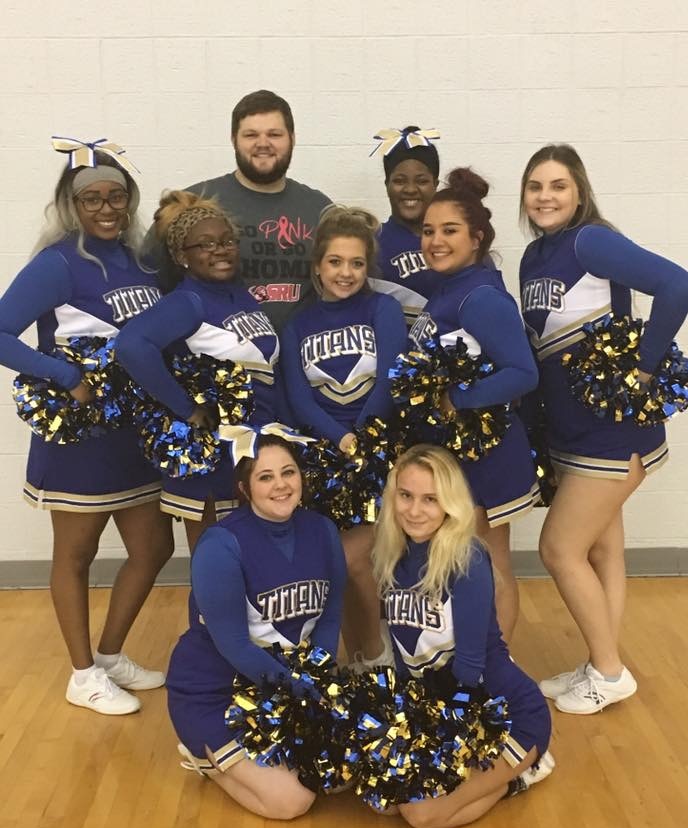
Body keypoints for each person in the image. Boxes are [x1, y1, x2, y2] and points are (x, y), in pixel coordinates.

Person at [518, 144, 688, 714]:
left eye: (558, 186)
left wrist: (644, 366)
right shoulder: (533, 256)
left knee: (558, 548)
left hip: (611, 433)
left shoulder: (589, 241)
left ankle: (611, 672)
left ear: (579, 193)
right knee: (601, 548)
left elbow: (678, 284)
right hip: (573, 433)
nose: (545, 197)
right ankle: (602, 661)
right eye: (535, 186)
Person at [0, 137, 174, 715]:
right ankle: (81, 674)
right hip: (81, 437)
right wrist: (63, 374)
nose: (105, 208)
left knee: (153, 547)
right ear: (71, 204)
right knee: (76, 553)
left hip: (136, 436)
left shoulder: (140, 260)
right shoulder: (56, 264)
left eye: (116, 196)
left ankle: (110, 655)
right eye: (91, 198)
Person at [371, 444, 552, 828]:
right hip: (440, 707)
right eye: (406, 495)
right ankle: (497, 775)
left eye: (430, 499)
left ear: (450, 504)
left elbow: (469, 669)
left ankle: (520, 773)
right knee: (385, 800)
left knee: (421, 815)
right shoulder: (391, 556)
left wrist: (437, 743)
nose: (414, 510)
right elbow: (405, 658)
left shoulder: (466, 557)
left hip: (499, 714)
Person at [165, 432, 347, 820]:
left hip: (286, 682)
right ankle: (205, 757)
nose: (281, 485)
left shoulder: (323, 530)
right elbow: (234, 645)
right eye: (266, 477)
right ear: (245, 488)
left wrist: (319, 677)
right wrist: (300, 691)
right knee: (291, 801)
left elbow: (331, 615)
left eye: (288, 472)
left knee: (342, 776)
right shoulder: (221, 545)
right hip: (218, 690)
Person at [409, 167, 539, 643]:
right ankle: (464, 656)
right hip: (455, 454)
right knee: (461, 562)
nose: (435, 241)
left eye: (449, 231)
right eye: (428, 231)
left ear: (476, 238)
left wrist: (457, 398)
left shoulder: (480, 296)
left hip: (488, 453)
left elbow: (523, 372)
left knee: (489, 562)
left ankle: (496, 663)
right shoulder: (448, 288)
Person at [116, 190, 280, 551]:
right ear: (181, 256)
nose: (220, 251)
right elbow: (131, 346)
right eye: (205, 245)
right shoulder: (187, 301)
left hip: (253, 448)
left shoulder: (240, 294)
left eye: (227, 241)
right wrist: (186, 408)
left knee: (256, 561)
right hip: (216, 458)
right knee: (217, 563)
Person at [280, 206, 408, 667]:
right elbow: (299, 399)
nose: (346, 273)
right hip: (324, 456)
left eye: (356, 263)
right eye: (335, 262)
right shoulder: (297, 325)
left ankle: (379, 656)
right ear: (318, 265)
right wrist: (338, 439)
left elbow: (391, 380)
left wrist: (360, 439)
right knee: (333, 564)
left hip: (376, 453)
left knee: (354, 559)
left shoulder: (383, 308)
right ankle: (357, 656)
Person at [185, 89, 331, 333]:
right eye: (251, 135)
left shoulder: (320, 209)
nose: (263, 144)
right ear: (234, 140)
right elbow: (154, 276)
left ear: (292, 138)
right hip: (221, 354)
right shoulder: (195, 203)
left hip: (304, 350)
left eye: (274, 134)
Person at [373, 125, 443, 322]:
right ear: (387, 185)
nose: (410, 189)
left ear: (435, 184)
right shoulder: (373, 245)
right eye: (399, 181)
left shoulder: (456, 240)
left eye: (421, 181)